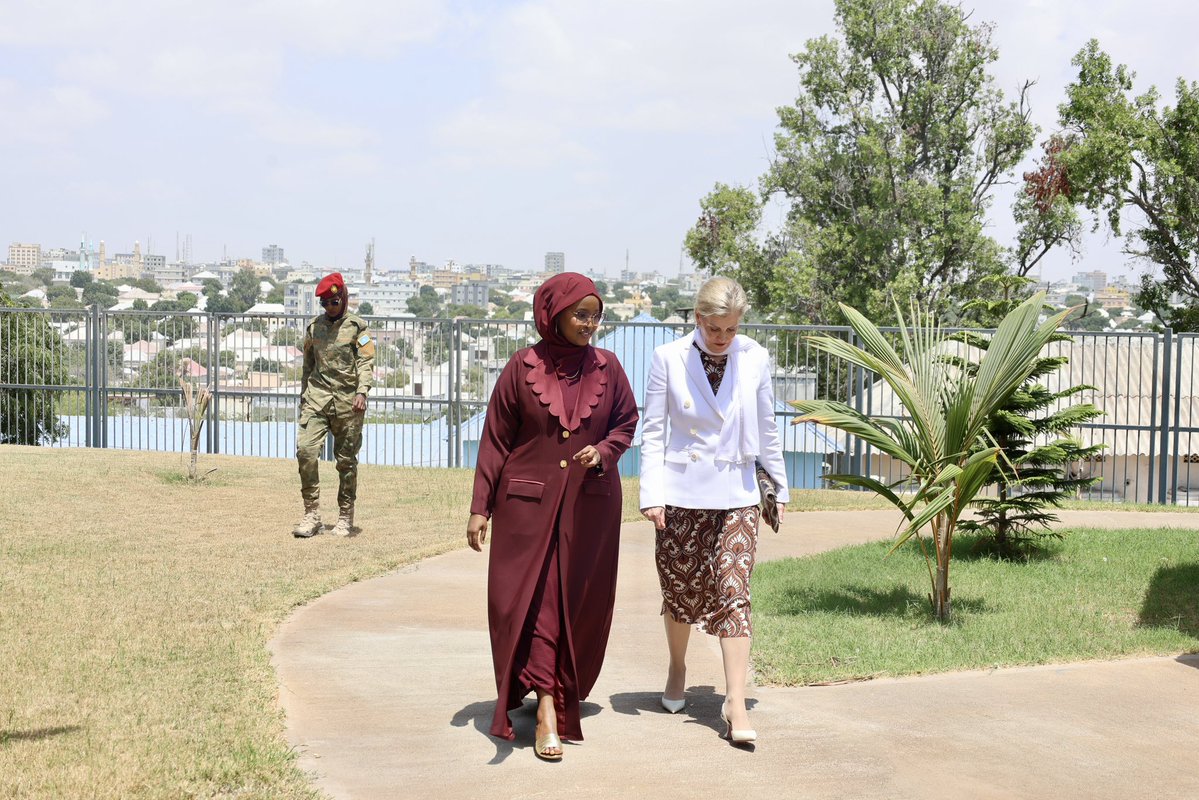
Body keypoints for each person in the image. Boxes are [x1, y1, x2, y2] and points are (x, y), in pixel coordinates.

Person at [467, 272, 639, 761]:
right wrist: (481, 507)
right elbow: (496, 441)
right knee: (534, 601)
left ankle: (558, 689)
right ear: (553, 314)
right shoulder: (520, 368)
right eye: (580, 314)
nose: (589, 324)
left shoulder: (609, 368)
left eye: (595, 315)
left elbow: (626, 422)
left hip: (590, 511)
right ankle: (546, 706)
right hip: (527, 509)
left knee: (577, 602)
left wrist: (603, 452)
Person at [638, 275, 789, 745]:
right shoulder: (668, 358)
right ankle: (677, 667)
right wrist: (652, 494)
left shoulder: (756, 358)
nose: (722, 337)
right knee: (680, 591)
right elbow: (655, 432)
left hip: (737, 493)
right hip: (681, 493)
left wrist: (778, 486)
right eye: (714, 328)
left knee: (733, 590)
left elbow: (767, 428)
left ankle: (735, 702)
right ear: (698, 318)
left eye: (731, 328)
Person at [293, 272, 375, 538]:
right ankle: (311, 514)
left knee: (346, 462)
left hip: (348, 402)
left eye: (334, 301)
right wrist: (304, 395)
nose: (329, 307)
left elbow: (365, 363)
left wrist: (362, 392)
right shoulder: (314, 328)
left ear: (344, 299)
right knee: (305, 451)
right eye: (325, 303)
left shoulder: (358, 328)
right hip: (317, 398)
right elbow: (308, 365)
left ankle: (345, 515)